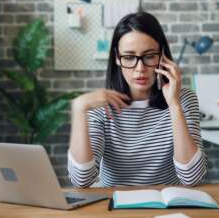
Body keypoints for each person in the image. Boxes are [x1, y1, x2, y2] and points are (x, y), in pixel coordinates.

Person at [68, 11, 207, 187]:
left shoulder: (183, 99)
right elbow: (82, 180)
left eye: (149, 56)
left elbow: (191, 177)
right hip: (116, 208)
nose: (140, 68)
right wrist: (79, 110)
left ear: (162, 56)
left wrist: (174, 105)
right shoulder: (100, 107)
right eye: (129, 57)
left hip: (167, 207)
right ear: (117, 58)